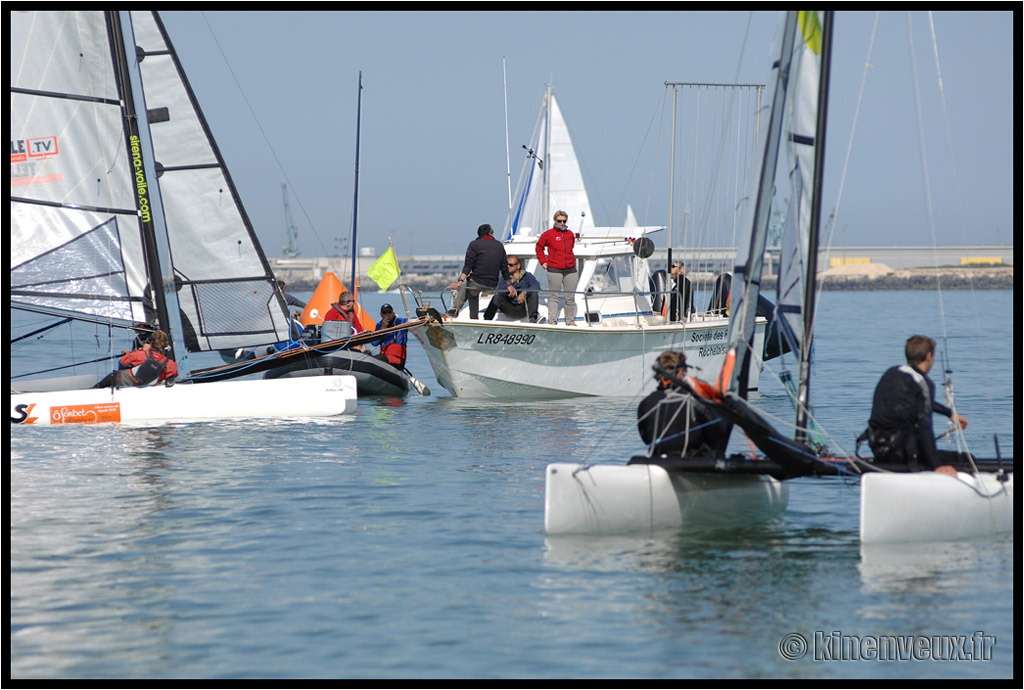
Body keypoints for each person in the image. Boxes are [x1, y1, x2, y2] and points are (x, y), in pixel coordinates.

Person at [863, 335, 969, 476]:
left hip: (879, 449)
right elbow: (925, 425)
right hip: (904, 455)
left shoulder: (893, 372)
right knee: (966, 459)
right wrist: (937, 466)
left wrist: (949, 413)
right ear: (929, 356)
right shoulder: (924, 383)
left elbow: (919, 402)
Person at [637, 351, 730, 457]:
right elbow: (716, 434)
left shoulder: (645, 403)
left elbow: (646, 439)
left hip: (657, 461)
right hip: (692, 463)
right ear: (681, 372)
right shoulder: (693, 400)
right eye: (685, 371)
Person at [448, 224, 513, 319]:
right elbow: (504, 267)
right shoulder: (499, 245)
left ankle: (458, 310)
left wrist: (460, 281)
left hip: (477, 283)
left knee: (469, 286)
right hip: (493, 284)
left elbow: (468, 265)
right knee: (472, 287)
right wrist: (509, 285)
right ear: (491, 233)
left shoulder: (474, 244)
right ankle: (482, 318)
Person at [535, 210, 578, 325]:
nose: (562, 223)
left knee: (570, 297)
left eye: (564, 221)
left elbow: (571, 248)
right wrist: (543, 261)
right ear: (555, 220)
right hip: (554, 269)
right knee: (555, 297)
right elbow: (539, 248)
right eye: (559, 221)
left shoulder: (570, 234)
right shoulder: (548, 234)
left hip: (570, 269)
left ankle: (570, 321)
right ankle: (552, 320)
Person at [94, 330, 178, 388]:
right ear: (165, 345)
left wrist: (139, 351)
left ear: (151, 342)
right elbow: (171, 375)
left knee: (113, 375)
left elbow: (123, 362)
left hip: (131, 381)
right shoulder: (171, 364)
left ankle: (93, 390)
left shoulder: (141, 354)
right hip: (151, 384)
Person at [483, 255, 541, 322]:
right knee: (497, 297)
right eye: (507, 265)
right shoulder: (505, 277)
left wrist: (524, 292)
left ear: (518, 266)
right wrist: (512, 281)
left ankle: (533, 319)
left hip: (523, 308)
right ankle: (486, 320)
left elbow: (537, 286)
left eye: (510, 265)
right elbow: (500, 291)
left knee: (534, 294)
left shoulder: (527, 276)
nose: (508, 266)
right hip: (510, 308)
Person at [371, 303, 408, 369]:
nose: (387, 314)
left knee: (377, 359)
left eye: (389, 312)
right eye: (385, 313)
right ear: (381, 315)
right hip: (385, 357)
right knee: (370, 356)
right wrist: (383, 328)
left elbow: (413, 320)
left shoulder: (401, 322)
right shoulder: (379, 325)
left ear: (393, 313)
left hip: (397, 359)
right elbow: (374, 343)